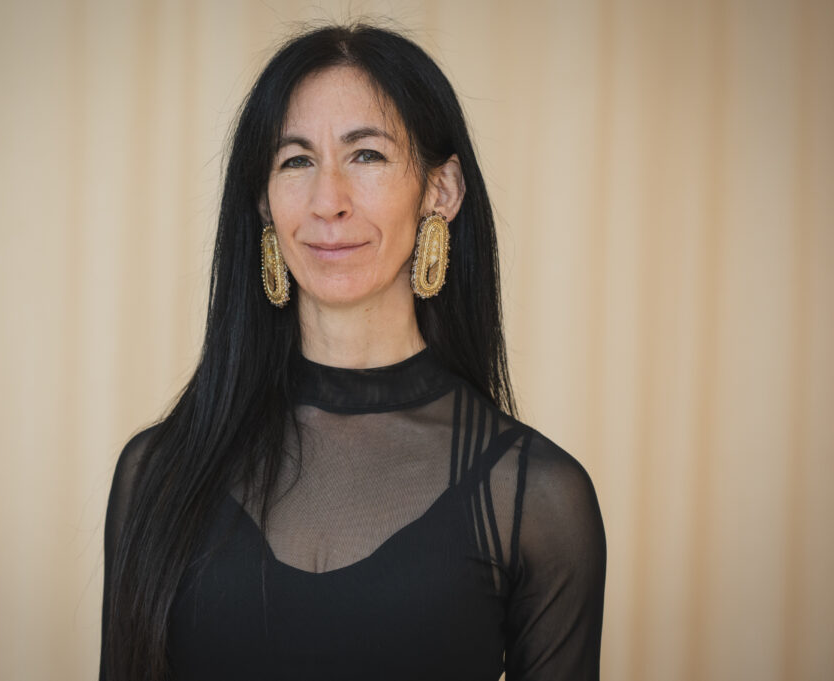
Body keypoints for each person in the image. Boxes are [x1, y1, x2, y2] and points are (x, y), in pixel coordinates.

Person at [100, 22, 605, 681]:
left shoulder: (535, 498)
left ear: (440, 190)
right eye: (296, 161)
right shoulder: (158, 473)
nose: (327, 201)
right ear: (263, 201)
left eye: (365, 156)